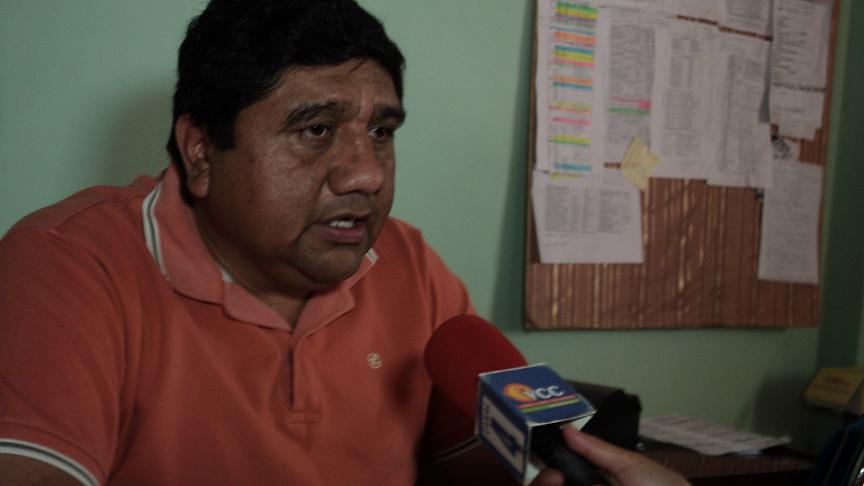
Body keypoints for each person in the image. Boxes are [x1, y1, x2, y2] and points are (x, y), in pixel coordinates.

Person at [0, 1, 688, 484]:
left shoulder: (411, 266)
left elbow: (479, 468)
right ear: (202, 152)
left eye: (381, 132)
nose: (367, 173)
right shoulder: (68, 265)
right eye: (316, 130)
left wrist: (559, 470)